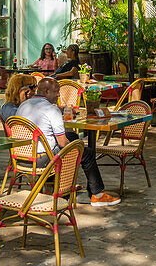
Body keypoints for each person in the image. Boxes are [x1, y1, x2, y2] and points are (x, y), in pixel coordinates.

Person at [16, 78, 119, 206]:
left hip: (22, 157)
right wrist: (78, 147)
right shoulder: (51, 110)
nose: (59, 94)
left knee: (73, 136)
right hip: (42, 159)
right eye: (56, 91)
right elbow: (62, 143)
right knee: (87, 153)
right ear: (46, 91)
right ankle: (98, 195)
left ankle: (55, 187)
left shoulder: (24, 105)